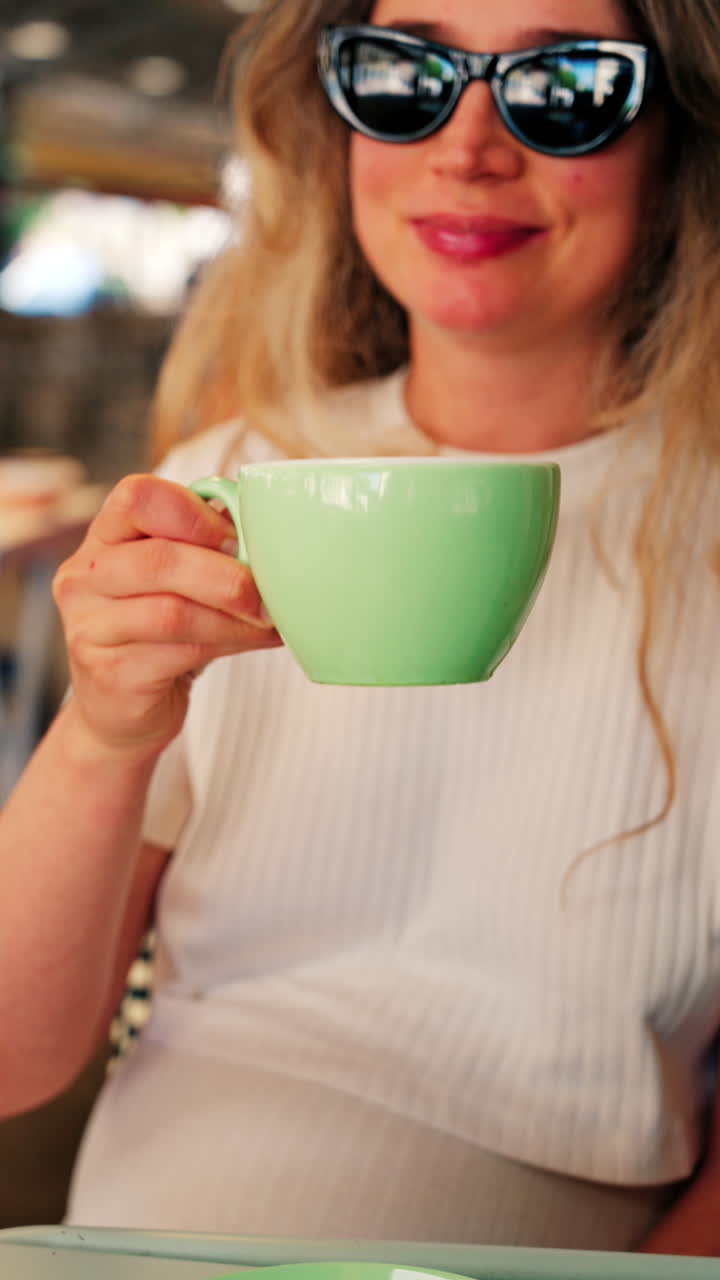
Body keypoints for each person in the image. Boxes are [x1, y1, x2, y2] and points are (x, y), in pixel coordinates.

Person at [1, 0, 720, 1254]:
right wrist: (106, 733)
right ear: (337, 125)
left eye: (566, 84)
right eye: (406, 74)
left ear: (676, 138)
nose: (469, 145)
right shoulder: (230, 480)